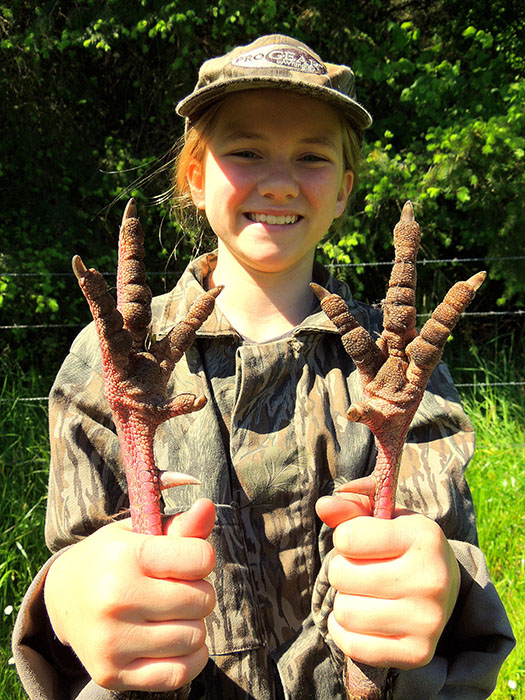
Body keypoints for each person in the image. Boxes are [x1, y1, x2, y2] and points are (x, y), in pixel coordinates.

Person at [13, 34, 514, 700]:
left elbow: (443, 543)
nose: (279, 181)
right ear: (195, 177)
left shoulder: (401, 367)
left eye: (312, 156)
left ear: (344, 190)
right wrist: (69, 596)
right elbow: (77, 547)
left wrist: (441, 583)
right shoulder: (111, 357)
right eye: (246, 151)